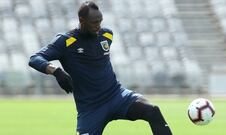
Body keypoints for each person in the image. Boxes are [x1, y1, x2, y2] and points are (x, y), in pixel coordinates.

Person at [28, 1, 172, 135]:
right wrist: (56, 71)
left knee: (152, 111)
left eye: (100, 21)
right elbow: (35, 59)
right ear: (81, 21)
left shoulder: (107, 35)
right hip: (91, 108)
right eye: (94, 22)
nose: (98, 26)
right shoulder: (66, 41)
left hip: (117, 96)